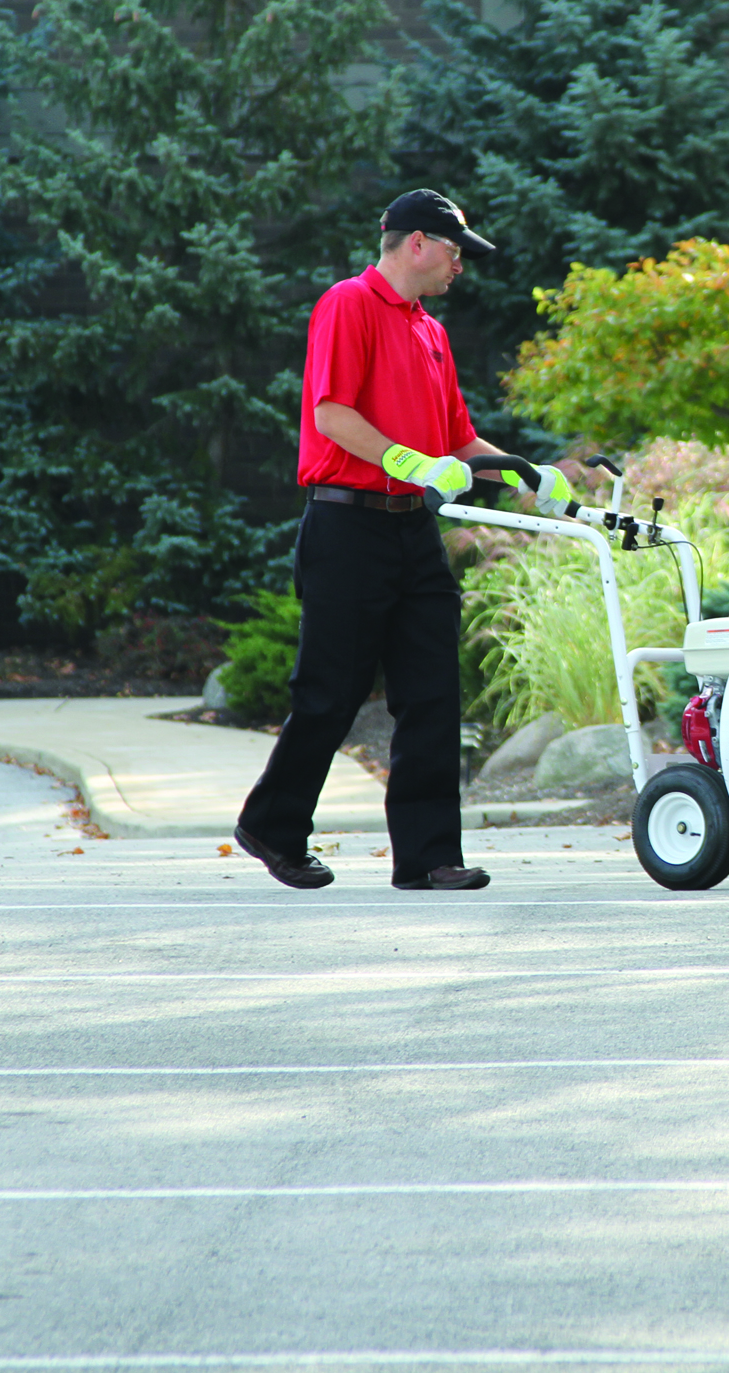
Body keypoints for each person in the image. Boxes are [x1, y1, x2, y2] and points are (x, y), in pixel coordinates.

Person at [234, 189, 572, 892]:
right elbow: (331, 414)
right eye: (456, 252)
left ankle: (426, 856)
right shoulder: (348, 304)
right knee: (329, 693)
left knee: (432, 693)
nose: (461, 267)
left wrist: (528, 474)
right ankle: (272, 824)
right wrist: (408, 462)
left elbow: (458, 442)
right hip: (346, 525)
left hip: (413, 528)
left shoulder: (431, 332)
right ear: (417, 243)